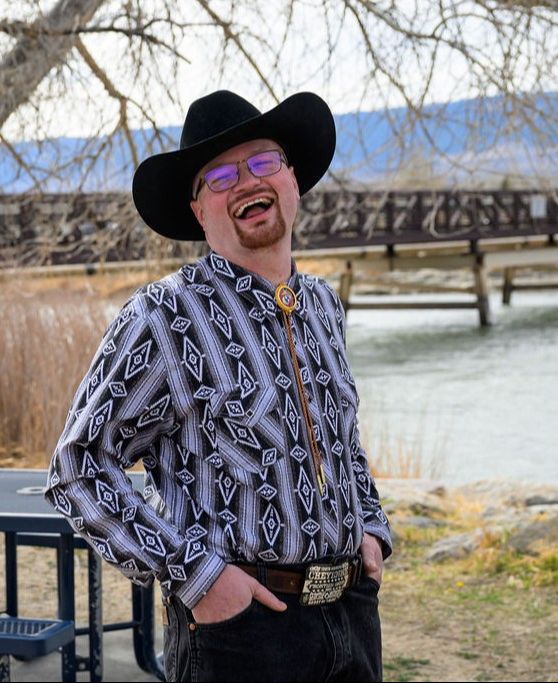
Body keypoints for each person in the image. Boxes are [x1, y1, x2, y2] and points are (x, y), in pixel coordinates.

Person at [45, 90, 392, 682]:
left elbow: (342, 439)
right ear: (199, 211)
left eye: (263, 162)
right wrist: (199, 578)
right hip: (242, 634)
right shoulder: (164, 316)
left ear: (292, 178)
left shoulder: (323, 304)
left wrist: (372, 530)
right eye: (220, 177)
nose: (246, 182)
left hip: (352, 617)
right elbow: (78, 466)